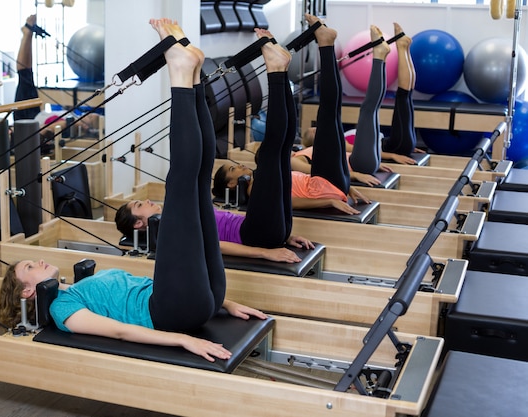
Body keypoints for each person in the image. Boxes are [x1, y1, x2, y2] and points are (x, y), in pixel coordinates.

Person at [0, 18, 267, 362]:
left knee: (198, 182)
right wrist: (181, 341)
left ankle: (194, 76)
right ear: (27, 291)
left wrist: (224, 304)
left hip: (200, 298)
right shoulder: (62, 310)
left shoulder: (76, 287)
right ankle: (181, 77)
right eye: (29, 268)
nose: (37, 261)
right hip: (173, 311)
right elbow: (122, 332)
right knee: (182, 183)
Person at [115, 28, 314, 264]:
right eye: (140, 205)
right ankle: (276, 71)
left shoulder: (173, 211)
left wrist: (285, 235)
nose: (147, 201)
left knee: (280, 150)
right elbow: (214, 245)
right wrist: (265, 252)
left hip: (269, 228)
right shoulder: (167, 227)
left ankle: (275, 69)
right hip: (257, 235)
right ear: (139, 224)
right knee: (271, 152)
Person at [213, 17, 376, 215]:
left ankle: (301, 57)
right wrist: (328, 202)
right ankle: (324, 45)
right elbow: (288, 202)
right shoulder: (254, 189)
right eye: (233, 169)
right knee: (328, 113)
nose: (239, 165)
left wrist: (347, 186)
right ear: (231, 184)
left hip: (326, 181)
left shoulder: (261, 178)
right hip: (322, 187)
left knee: (330, 112)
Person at [291, 22, 418, 187]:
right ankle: (379, 57)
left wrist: (384, 158)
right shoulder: (300, 156)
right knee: (368, 110)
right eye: (313, 130)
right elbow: (319, 174)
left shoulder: (335, 145)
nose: (316, 128)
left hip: (365, 161)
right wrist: (356, 175)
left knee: (365, 109)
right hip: (360, 165)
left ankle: (379, 55)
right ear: (312, 140)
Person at [13, 15, 99, 147]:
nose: (90, 117)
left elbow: (43, 133)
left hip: (28, 122)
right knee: (26, 74)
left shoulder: (68, 126)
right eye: (90, 117)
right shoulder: (75, 118)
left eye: (90, 119)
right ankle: (27, 33)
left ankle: (27, 34)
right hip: (37, 115)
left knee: (24, 75)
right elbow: (96, 118)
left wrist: (75, 123)